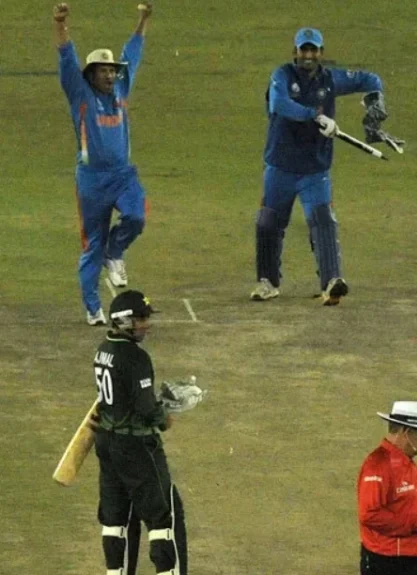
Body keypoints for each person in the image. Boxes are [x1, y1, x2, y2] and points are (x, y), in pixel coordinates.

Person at [251, 27, 403, 305]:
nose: (308, 55)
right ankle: (267, 282)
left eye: (313, 50)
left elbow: (370, 79)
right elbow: (280, 104)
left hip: (315, 169)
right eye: (303, 50)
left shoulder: (331, 80)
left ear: (321, 53)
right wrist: (314, 116)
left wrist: (374, 104)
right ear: (295, 52)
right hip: (280, 167)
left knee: (323, 221)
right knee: (268, 222)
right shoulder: (281, 76)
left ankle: (332, 282)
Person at [54, 2, 153, 325]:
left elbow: (133, 52)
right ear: (91, 75)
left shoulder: (122, 87)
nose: (110, 75)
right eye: (103, 71)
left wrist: (142, 20)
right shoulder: (80, 94)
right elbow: (67, 59)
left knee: (137, 216)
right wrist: (61, 23)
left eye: (112, 70)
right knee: (91, 246)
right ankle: (93, 307)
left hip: (123, 175)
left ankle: (117, 249)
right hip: (92, 180)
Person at [92, 290, 188, 575]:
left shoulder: (102, 350)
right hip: (135, 446)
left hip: (106, 442)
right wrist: (163, 418)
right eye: (141, 319)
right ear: (124, 322)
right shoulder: (136, 357)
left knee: (114, 517)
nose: (146, 324)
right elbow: (147, 409)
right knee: (163, 517)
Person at [358, 401, 417, 575]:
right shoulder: (378, 465)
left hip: (410, 559)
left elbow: (400, 507)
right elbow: (369, 515)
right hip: (386, 562)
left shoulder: (406, 463)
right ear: (406, 432)